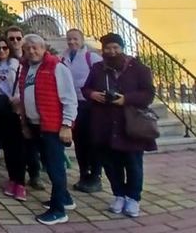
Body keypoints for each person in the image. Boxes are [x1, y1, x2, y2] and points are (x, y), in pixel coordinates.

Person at [83, 33, 156, 219]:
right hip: (105, 124)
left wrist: (126, 99)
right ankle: (119, 194)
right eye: (108, 48)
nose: (112, 51)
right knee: (110, 164)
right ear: (103, 50)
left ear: (122, 48)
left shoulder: (138, 68)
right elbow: (86, 88)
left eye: (115, 47)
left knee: (133, 164)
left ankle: (133, 198)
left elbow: (148, 94)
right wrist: (92, 94)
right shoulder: (98, 68)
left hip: (129, 125)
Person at [18, 34, 78, 226]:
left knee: (55, 166)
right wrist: (25, 124)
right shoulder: (26, 68)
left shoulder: (57, 67)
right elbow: (24, 95)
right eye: (28, 48)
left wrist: (67, 125)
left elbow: (69, 98)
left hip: (53, 125)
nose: (32, 51)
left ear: (44, 48)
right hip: (36, 124)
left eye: (36, 47)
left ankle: (58, 210)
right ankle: (65, 198)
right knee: (47, 162)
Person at [62, 28, 104, 194]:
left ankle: (96, 176)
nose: (72, 42)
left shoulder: (91, 57)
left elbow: (101, 77)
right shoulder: (63, 57)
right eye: (69, 39)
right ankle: (83, 173)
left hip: (90, 103)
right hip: (73, 104)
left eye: (75, 39)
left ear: (81, 39)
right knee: (79, 142)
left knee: (93, 141)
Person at [0, 36, 26, 201]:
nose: (1, 51)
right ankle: (12, 179)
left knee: (19, 148)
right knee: (8, 148)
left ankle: (21, 182)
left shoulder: (18, 65)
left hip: (15, 109)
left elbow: (22, 85)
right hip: (0, 109)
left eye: (4, 48)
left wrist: (16, 99)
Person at [5, 25, 43, 190]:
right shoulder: (4, 56)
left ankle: (35, 175)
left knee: (31, 144)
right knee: (17, 144)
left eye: (18, 38)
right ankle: (15, 177)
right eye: (11, 38)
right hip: (11, 107)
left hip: (30, 107)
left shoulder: (30, 59)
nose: (14, 41)